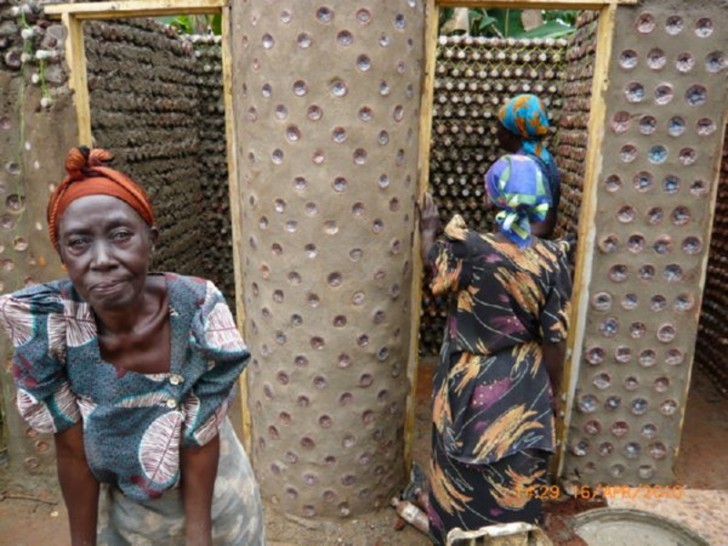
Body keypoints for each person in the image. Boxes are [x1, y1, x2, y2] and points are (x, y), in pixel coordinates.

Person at [0, 147, 264, 546]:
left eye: (121, 236)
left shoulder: (195, 311)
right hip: (128, 504)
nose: (102, 259)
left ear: (150, 240)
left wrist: (200, 539)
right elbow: (73, 453)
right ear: (62, 256)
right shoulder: (50, 329)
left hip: (214, 496)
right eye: (79, 243)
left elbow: (201, 442)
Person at [419, 154, 572, 545]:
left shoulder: (469, 248)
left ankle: (455, 534)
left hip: (470, 379)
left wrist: (428, 230)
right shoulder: (554, 258)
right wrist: (550, 391)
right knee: (518, 468)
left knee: (459, 466)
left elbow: (433, 266)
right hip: (526, 382)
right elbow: (556, 339)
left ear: (491, 199)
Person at [496, 94, 560, 238]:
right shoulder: (540, 156)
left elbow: (544, 226)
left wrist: (502, 241)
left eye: (499, 126)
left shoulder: (529, 165)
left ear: (510, 133)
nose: (496, 132)